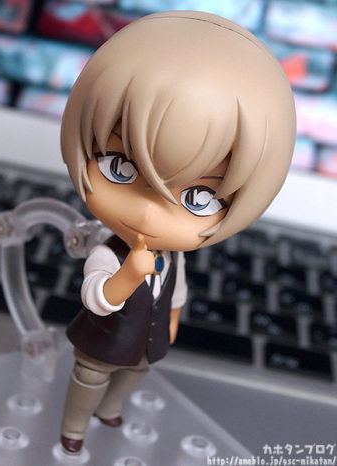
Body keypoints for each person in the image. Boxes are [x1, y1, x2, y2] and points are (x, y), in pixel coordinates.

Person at [59, 10, 296, 453]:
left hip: (145, 343)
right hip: (102, 341)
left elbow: (177, 291)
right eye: (119, 166)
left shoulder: (173, 259)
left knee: (134, 374)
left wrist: (170, 321)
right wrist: (129, 274)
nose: (150, 214)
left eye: (198, 198)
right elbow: (97, 297)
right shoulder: (108, 251)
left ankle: (110, 410)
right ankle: (73, 429)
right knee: (89, 376)